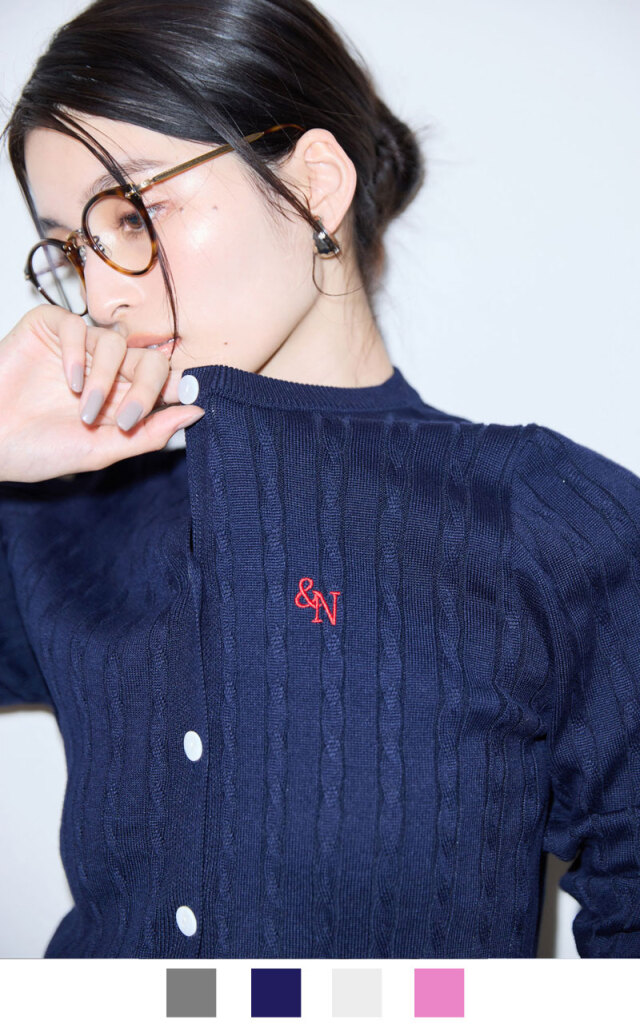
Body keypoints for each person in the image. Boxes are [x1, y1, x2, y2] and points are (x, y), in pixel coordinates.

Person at [1, 0, 639, 961]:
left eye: (132, 214)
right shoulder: (61, 509)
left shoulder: (541, 519)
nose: (100, 295)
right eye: (69, 249)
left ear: (312, 185)